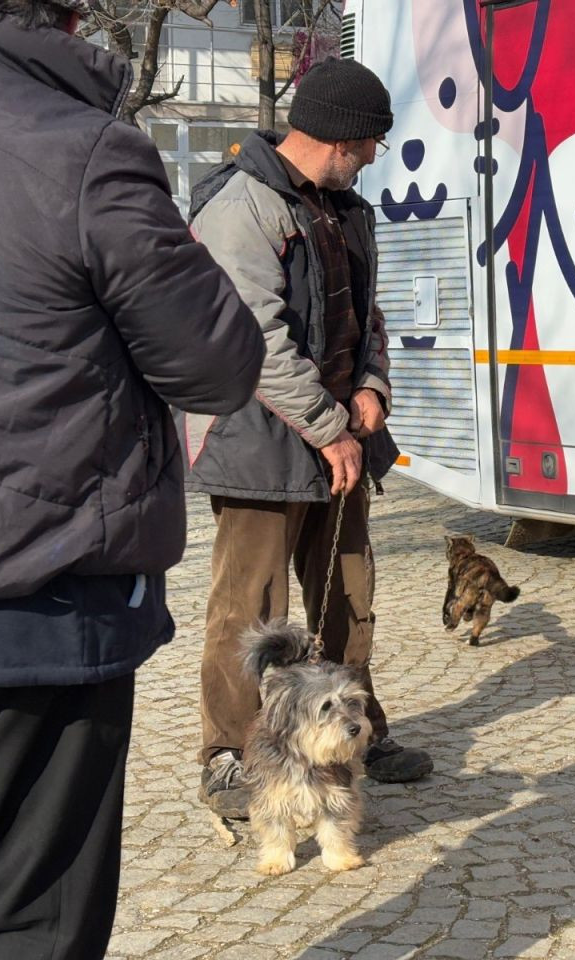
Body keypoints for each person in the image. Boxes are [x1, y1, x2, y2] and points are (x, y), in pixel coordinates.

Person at [0, 0, 265, 955]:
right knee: (29, 914)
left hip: (24, 581)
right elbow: (217, 363)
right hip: (32, 600)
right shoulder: (79, 149)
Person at [185, 58, 432, 819]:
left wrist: (371, 389)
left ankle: (354, 731)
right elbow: (251, 338)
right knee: (250, 612)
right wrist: (331, 430)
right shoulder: (241, 204)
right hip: (258, 439)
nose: (371, 159)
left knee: (347, 595)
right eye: (371, 145)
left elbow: (369, 317)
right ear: (342, 137)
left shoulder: (347, 208)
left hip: (338, 435)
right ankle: (231, 755)